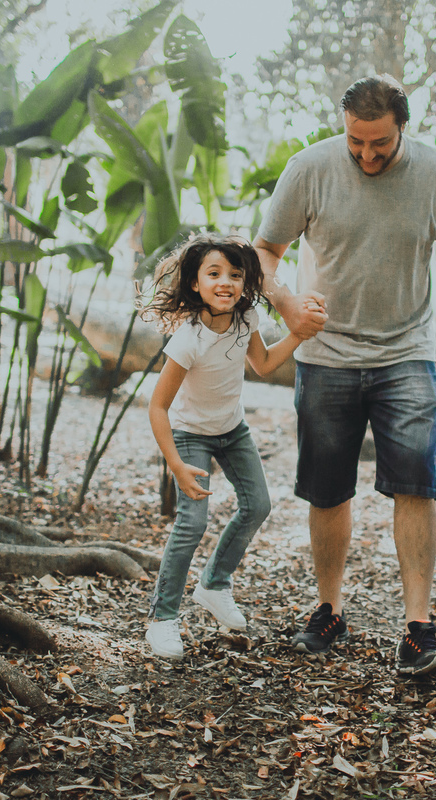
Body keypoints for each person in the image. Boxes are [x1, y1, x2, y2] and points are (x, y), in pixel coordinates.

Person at [253, 74, 436, 677]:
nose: (367, 154)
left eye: (380, 143)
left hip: (407, 353)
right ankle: (328, 609)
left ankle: (417, 626)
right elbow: (265, 252)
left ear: (402, 125)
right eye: (357, 141)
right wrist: (285, 302)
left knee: (416, 484)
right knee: (328, 489)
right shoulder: (310, 167)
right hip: (324, 355)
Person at [140, 233, 306, 660]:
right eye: (214, 273)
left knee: (259, 505)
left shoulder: (245, 317)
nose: (226, 282)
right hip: (190, 435)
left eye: (235, 274)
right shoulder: (187, 340)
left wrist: (299, 334)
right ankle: (162, 620)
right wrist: (176, 464)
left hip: (233, 430)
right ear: (195, 283)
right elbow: (158, 407)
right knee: (191, 523)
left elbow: (264, 364)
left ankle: (214, 584)